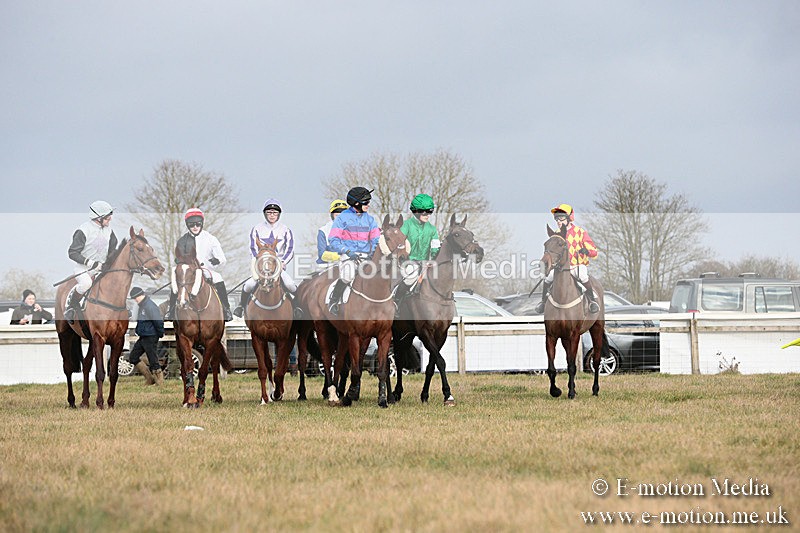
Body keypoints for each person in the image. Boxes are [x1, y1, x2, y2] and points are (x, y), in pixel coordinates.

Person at [166, 208, 233, 321]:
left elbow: (222, 258)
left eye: (198, 224)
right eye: (192, 225)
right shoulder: (182, 241)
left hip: (206, 269)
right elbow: (179, 258)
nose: (195, 227)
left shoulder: (211, 239)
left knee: (218, 278)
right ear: (187, 225)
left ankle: (226, 309)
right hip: (189, 271)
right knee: (176, 282)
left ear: (202, 224)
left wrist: (217, 261)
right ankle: (171, 310)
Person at [234, 198, 297, 318]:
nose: (272, 215)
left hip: (277, 267)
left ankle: (298, 308)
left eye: (274, 212)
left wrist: (282, 262)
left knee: (289, 284)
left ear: (278, 214)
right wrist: (258, 264)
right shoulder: (256, 228)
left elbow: (290, 249)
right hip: (261, 267)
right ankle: (241, 307)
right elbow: (253, 248)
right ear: (265, 214)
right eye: (269, 212)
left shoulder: (285, 230)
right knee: (248, 285)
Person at [534, 203, 600, 314]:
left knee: (582, 276)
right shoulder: (557, 234)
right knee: (548, 278)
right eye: (556, 218)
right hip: (561, 267)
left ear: (569, 217)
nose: (558, 221)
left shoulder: (580, 232)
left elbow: (594, 252)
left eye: (561, 217)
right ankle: (543, 302)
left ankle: (592, 301)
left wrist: (587, 251)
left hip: (577, 265)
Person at [326, 186, 381, 314]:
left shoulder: (370, 220)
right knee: (348, 275)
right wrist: (347, 251)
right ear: (356, 203)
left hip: (366, 258)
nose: (368, 204)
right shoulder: (341, 219)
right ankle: (334, 300)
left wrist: (372, 253)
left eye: (369, 201)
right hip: (348, 257)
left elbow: (376, 240)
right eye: (366, 202)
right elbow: (333, 240)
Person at [65, 200, 118, 323]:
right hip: (83, 268)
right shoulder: (83, 230)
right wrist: (90, 263)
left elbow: (112, 250)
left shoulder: (109, 231)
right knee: (86, 284)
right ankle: (71, 307)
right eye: (107, 217)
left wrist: (110, 262)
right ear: (98, 218)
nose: (110, 219)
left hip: (101, 268)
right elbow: (72, 252)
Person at [395, 194, 440, 305]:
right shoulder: (406, 225)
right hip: (408, 262)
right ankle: (397, 300)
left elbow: (435, 248)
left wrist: (434, 259)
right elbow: (400, 245)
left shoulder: (432, 229)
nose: (427, 215)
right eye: (425, 212)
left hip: (425, 263)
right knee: (410, 275)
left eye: (430, 212)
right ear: (416, 211)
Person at [128, 286, 165, 385]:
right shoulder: (142, 305)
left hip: (151, 336)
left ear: (141, 295)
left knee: (153, 360)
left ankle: (160, 382)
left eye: (136, 297)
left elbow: (158, 321)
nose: (135, 300)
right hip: (143, 336)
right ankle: (150, 379)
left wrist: (160, 333)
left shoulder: (150, 306)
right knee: (133, 357)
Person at [316, 199, 349, 264]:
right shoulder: (323, 231)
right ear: (332, 215)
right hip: (328, 265)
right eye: (337, 216)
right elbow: (322, 254)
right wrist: (339, 257)